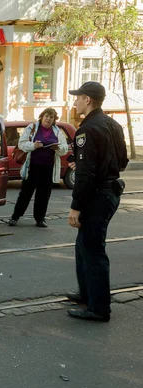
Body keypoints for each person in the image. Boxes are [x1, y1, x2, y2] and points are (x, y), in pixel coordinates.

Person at [65, 81, 128, 322]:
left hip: (96, 196)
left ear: (87, 100)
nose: (75, 101)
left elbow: (86, 174)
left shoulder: (86, 129)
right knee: (84, 245)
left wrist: (75, 206)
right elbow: (121, 161)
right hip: (109, 190)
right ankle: (87, 294)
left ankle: (99, 308)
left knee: (93, 250)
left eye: (78, 97)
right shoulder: (113, 124)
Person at [8, 108, 69, 227]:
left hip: (48, 167)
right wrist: (33, 145)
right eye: (46, 116)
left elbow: (64, 149)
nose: (48, 119)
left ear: (54, 120)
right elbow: (21, 144)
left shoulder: (57, 132)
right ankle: (15, 216)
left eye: (51, 117)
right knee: (26, 193)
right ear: (41, 117)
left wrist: (58, 148)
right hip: (33, 166)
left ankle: (40, 219)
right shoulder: (32, 128)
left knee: (44, 194)